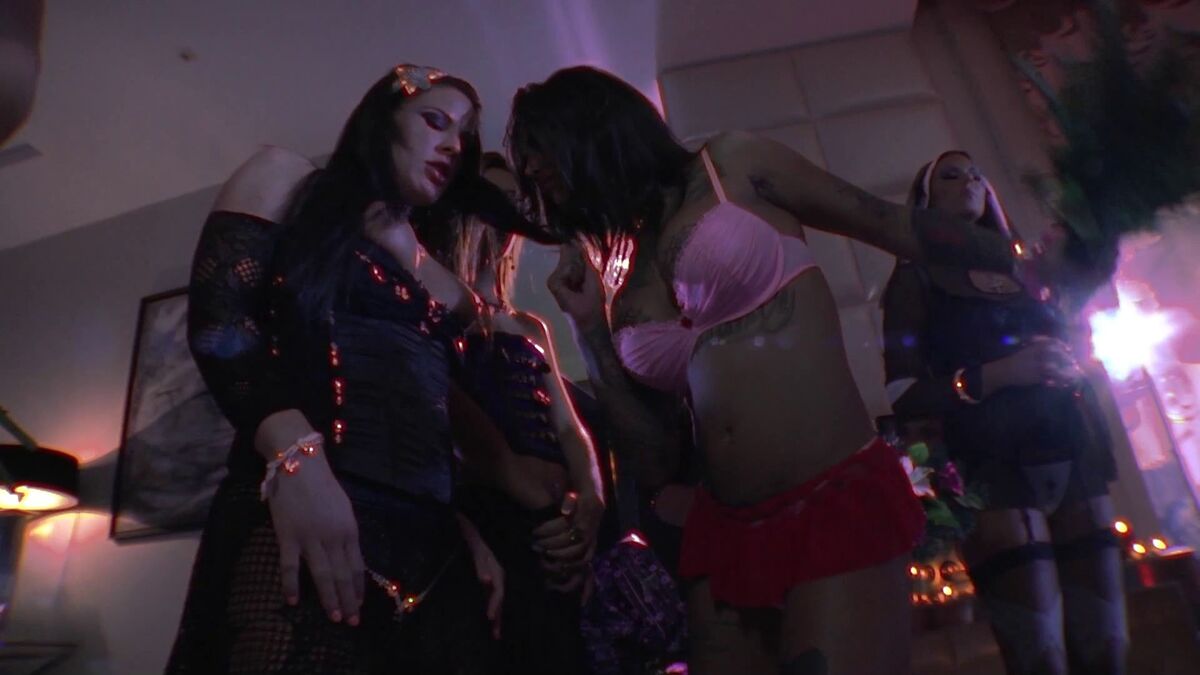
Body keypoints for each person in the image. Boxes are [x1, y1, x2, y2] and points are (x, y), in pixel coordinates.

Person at [506, 66, 1018, 675]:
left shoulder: (731, 163)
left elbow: (887, 223)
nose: (532, 168)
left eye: (539, 146)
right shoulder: (617, 270)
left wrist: (1013, 257)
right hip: (725, 528)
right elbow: (655, 457)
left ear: (592, 125)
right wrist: (590, 328)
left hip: (831, 500)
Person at [167, 64, 542, 675]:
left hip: (437, 556)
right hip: (309, 505)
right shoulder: (285, 179)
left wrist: (462, 524)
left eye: (465, 136)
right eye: (435, 121)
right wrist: (298, 457)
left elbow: (434, 412)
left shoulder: (449, 284)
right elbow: (222, 326)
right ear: (382, 118)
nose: (453, 145)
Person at [881, 151, 1126, 675]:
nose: (969, 181)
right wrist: (997, 375)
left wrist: (1069, 362)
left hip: (1071, 452)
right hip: (989, 468)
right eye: (951, 175)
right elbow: (903, 394)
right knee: (1040, 656)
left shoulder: (1026, 272)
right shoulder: (915, 280)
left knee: (1108, 647)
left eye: (976, 174)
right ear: (926, 199)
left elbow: (1076, 335)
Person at [448, 152, 603, 674]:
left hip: (558, 519)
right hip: (494, 516)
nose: (504, 216)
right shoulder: (442, 313)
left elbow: (569, 428)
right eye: (491, 201)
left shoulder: (530, 326)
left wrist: (589, 502)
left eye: (513, 202)